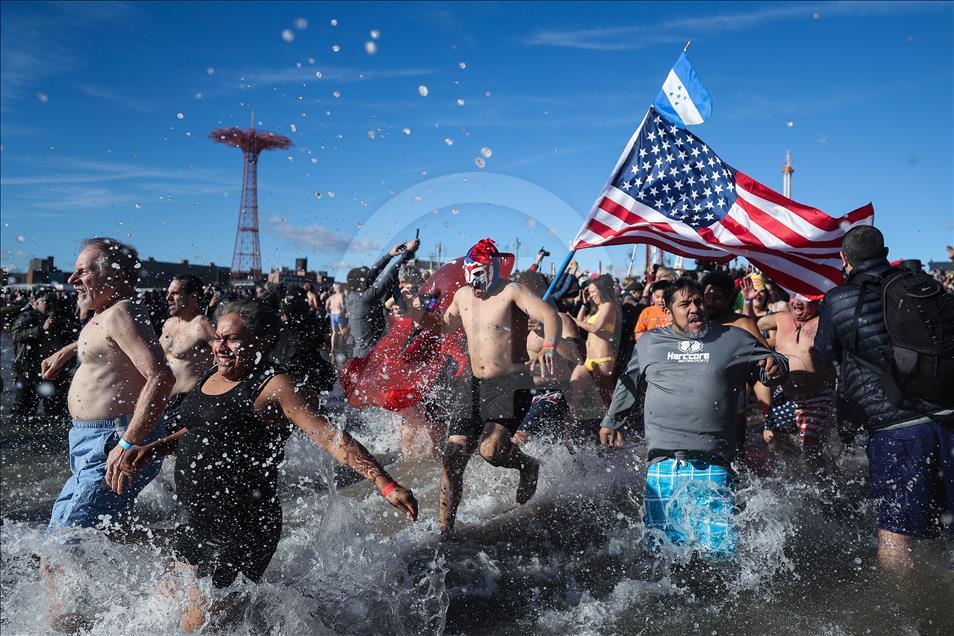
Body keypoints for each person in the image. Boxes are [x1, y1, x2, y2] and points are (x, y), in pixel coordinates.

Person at [126, 299, 417, 632]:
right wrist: (156, 447)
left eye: (232, 339)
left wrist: (384, 482)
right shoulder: (212, 373)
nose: (220, 346)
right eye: (219, 337)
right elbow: (202, 429)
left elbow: (329, 436)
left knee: (200, 627)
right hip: (199, 519)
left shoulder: (275, 386)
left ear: (262, 341)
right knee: (173, 609)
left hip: (242, 524)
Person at [600, 279, 788, 559]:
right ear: (669, 310)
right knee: (662, 556)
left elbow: (775, 364)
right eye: (684, 304)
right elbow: (629, 380)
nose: (694, 309)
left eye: (699, 302)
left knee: (718, 558)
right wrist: (612, 420)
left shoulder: (733, 338)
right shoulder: (651, 342)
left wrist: (776, 367)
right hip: (663, 462)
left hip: (712, 462)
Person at [814, 225, 953, 574]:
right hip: (948, 416)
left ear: (844, 259)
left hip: (897, 428)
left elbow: (823, 354)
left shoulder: (838, 299)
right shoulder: (924, 287)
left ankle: (902, 616)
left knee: (896, 534)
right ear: (886, 251)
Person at [41, 238, 174, 532]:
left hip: (113, 440)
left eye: (82, 271)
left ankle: (180, 564)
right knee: (81, 539)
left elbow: (161, 377)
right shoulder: (106, 313)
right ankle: (167, 561)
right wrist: (67, 351)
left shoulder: (121, 313)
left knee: (65, 543)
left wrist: (127, 442)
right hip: (91, 442)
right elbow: (110, 343)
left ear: (113, 274)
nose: (72, 279)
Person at [437, 238, 561, 535]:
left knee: (491, 452)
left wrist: (549, 344)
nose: (475, 283)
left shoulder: (511, 290)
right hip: (473, 382)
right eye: (471, 275)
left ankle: (528, 465)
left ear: (492, 268)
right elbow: (442, 325)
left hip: (510, 382)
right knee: (452, 456)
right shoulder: (463, 295)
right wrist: (413, 311)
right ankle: (444, 534)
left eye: (480, 274)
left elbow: (549, 314)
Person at [758, 296, 835, 462]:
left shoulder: (825, 321)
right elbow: (751, 326)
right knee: (775, 442)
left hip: (817, 395)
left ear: (816, 301)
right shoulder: (781, 317)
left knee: (811, 450)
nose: (797, 301)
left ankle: (825, 484)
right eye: (794, 296)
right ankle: (791, 482)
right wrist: (751, 303)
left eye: (805, 297)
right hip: (785, 394)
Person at [346, 238, 420, 357]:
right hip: (369, 356)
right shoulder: (366, 298)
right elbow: (389, 276)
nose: (370, 278)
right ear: (361, 283)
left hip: (359, 353)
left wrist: (390, 255)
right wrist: (408, 252)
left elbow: (372, 274)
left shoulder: (352, 296)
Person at [160, 275, 214, 433]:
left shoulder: (201, 325)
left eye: (175, 293)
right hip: (162, 402)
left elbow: (226, 358)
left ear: (193, 297)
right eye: (168, 293)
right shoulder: (168, 324)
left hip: (186, 403)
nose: (168, 298)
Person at [11, 290, 75, 418]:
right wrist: (41, 329)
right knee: (23, 413)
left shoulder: (59, 317)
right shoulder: (27, 316)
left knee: (56, 413)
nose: (51, 305)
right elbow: (15, 335)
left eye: (53, 302)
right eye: (46, 302)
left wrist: (65, 327)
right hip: (29, 371)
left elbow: (71, 339)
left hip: (54, 372)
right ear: (35, 302)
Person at [571, 274, 621, 406]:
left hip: (602, 358)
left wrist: (573, 320)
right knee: (573, 391)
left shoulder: (608, 306)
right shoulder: (597, 309)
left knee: (605, 398)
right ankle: (570, 423)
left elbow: (595, 328)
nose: (591, 295)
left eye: (593, 292)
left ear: (602, 290)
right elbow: (579, 323)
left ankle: (615, 425)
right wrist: (584, 304)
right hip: (588, 359)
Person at [325, 282, 348, 361]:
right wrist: (344, 313)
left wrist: (329, 311)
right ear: (340, 288)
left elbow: (326, 306)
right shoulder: (341, 295)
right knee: (343, 332)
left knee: (334, 333)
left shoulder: (331, 297)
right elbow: (343, 305)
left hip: (333, 315)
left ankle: (333, 349)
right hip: (339, 314)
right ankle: (342, 347)